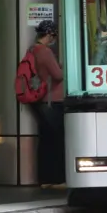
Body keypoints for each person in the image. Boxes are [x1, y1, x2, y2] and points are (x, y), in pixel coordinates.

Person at [32, 20, 66, 189]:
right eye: (54, 36)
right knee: (57, 141)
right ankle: (57, 179)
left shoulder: (32, 50)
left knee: (45, 141)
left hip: (40, 100)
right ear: (50, 35)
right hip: (53, 100)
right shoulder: (45, 51)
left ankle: (45, 179)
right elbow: (58, 75)